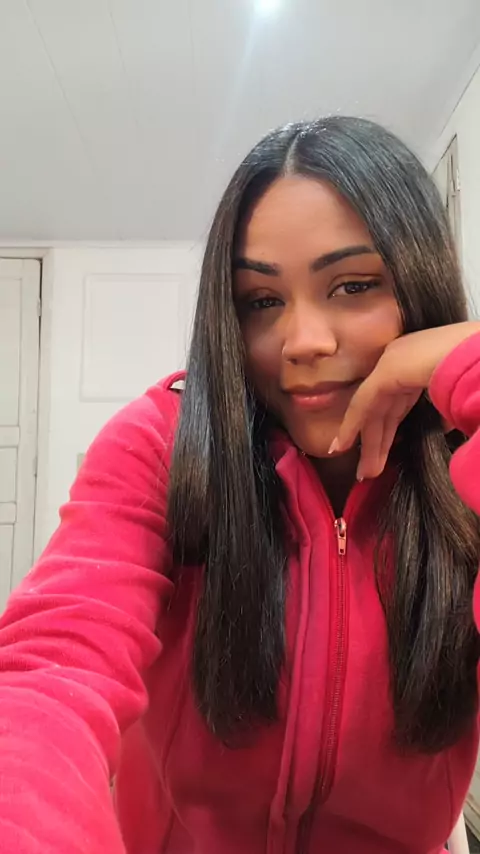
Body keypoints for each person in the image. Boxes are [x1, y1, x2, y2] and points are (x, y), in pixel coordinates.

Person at [1, 117, 480, 854]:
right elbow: (49, 674)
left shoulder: (461, 468)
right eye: (261, 301)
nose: (304, 342)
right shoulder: (163, 444)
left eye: (354, 286)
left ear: (419, 287)